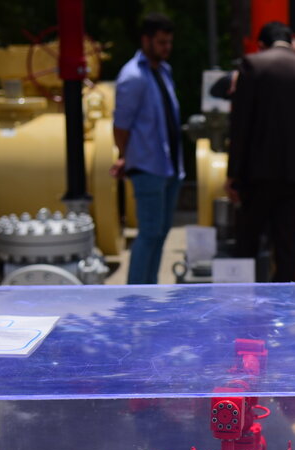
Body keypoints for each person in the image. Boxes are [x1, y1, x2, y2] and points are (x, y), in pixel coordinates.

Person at [226, 21, 295, 282]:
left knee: (247, 245)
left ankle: (241, 303)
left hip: (255, 175)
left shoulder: (252, 65)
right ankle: (284, 305)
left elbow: (240, 125)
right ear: (292, 40)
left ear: (261, 45)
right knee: (287, 252)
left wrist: (233, 174)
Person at [111, 13, 183, 284]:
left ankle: (148, 291)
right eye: (161, 42)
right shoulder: (133, 76)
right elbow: (121, 126)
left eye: (169, 42)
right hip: (147, 166)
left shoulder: (164, 71)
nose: (167, 48)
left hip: (169, 166)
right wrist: (125, 156)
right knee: (150, 233)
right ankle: (135, 295)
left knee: (160, 233)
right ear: (146, 40)